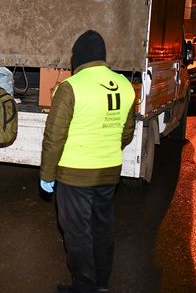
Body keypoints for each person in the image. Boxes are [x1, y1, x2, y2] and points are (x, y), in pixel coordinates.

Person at [39, 30, 136, 293]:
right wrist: (105, 148)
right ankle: (100, 283)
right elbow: (127, 131)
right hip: (109, 171)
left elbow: (54, 137)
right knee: (101, 228)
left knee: (77, 233)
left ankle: (84, 287)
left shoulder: (71, 87)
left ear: (78, 57)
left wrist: (47, 175)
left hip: (74, 174)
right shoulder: (125, 85)